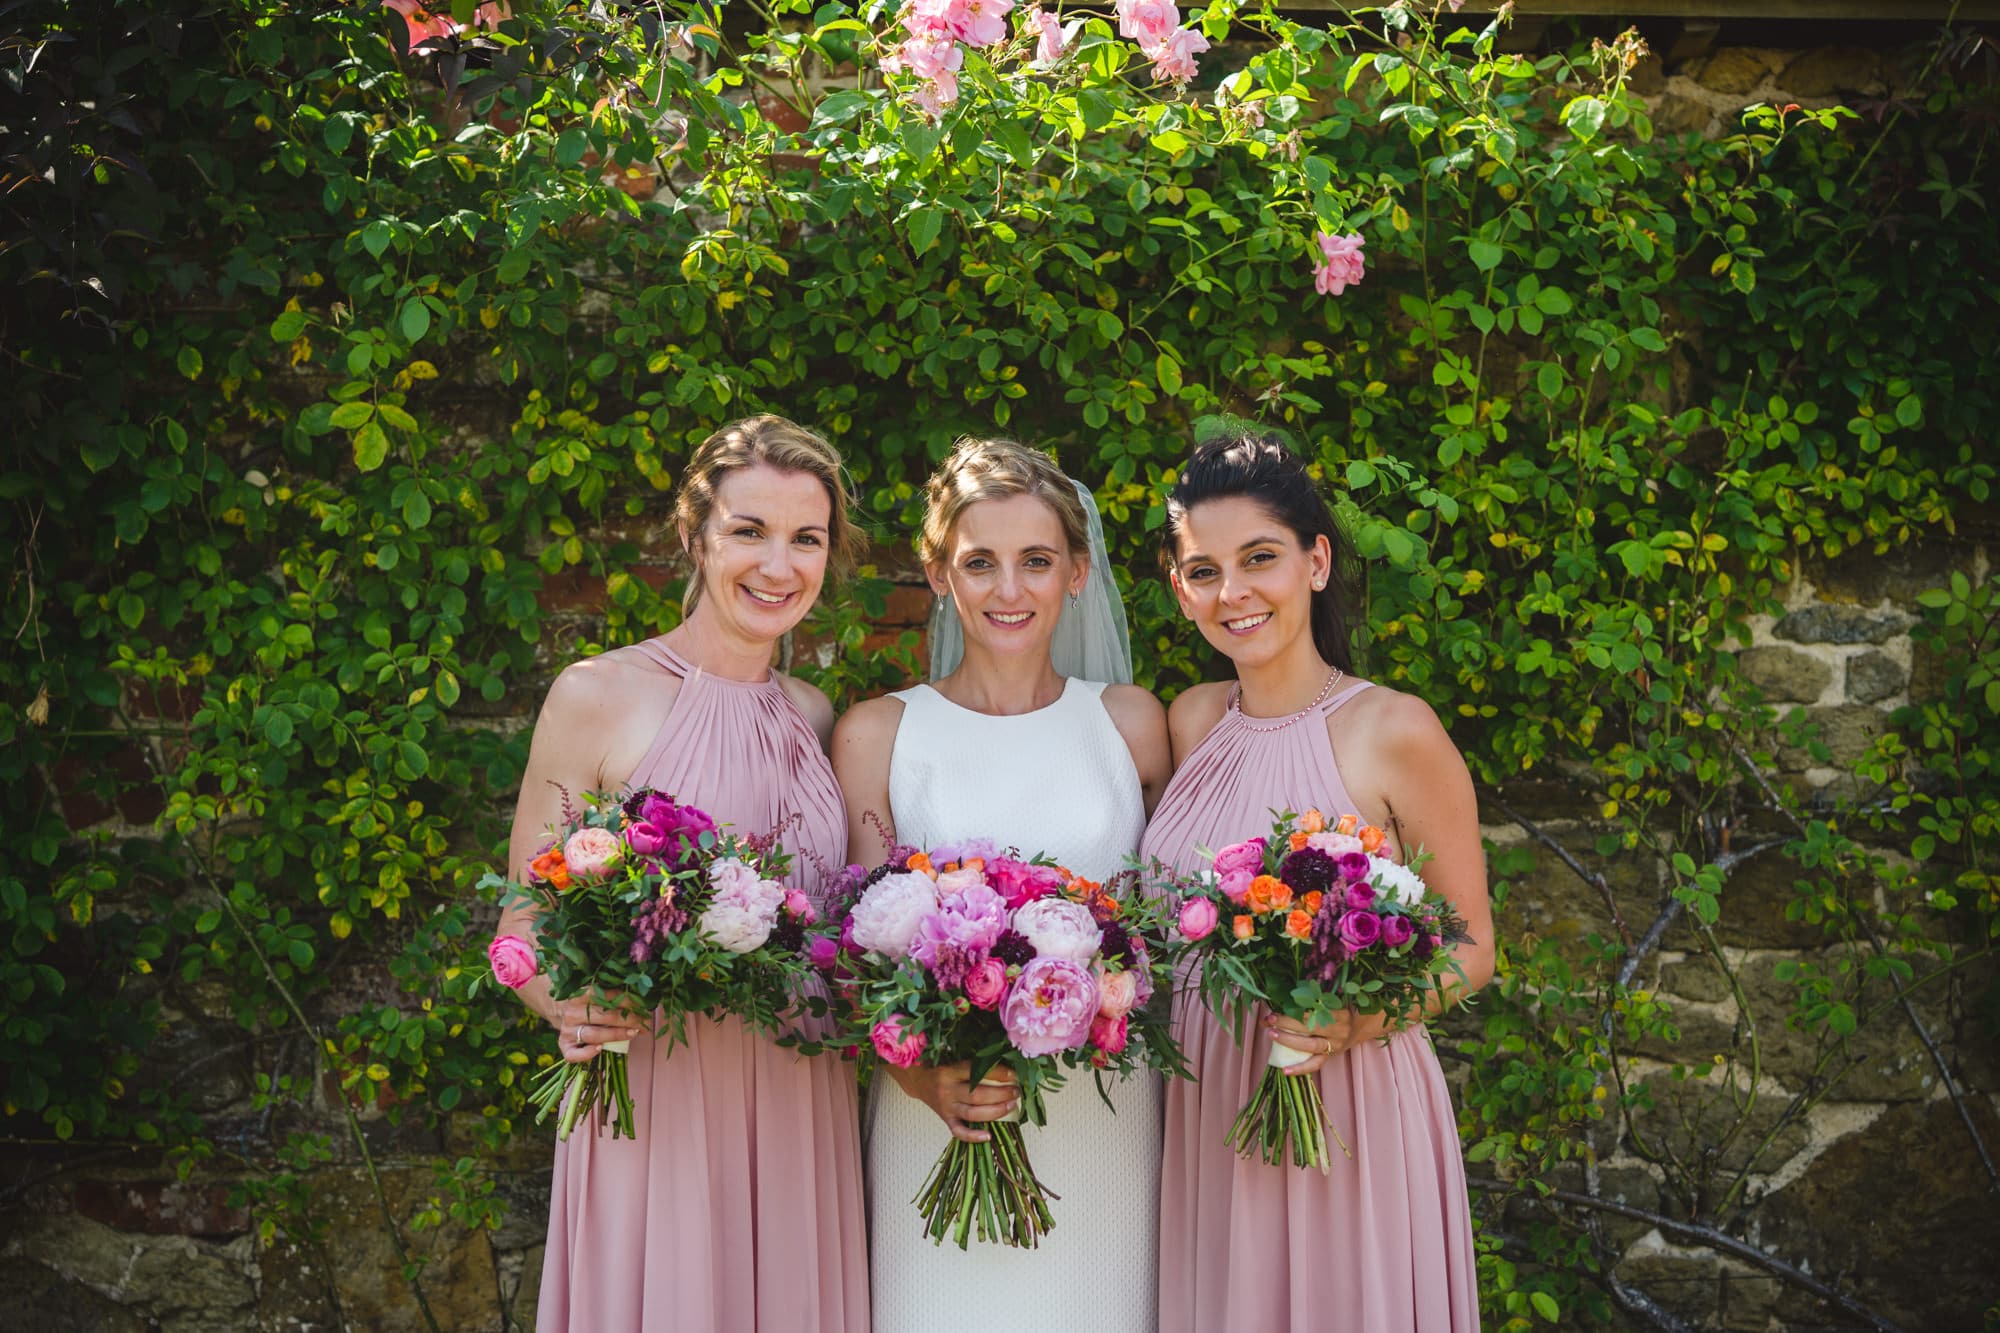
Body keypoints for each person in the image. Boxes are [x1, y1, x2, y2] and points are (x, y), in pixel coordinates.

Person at [495, 415, 870, 1332]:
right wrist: (565, 1003)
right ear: (694, 536)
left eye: (806, 539)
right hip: (656, 1093)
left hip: (798, 1092)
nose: (779, 566)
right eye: (750, 531)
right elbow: (520, 916)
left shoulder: (818, 714)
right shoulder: (598, 694)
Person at [1140, 431, 1492, 1332]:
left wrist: (1359, 1018)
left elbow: (1473, 948)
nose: (1236, 592)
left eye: (1260, 558)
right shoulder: (1188, 721)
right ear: (1183, 591)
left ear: (1317, 560)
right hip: (1208, 1105)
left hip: (1344, 1101)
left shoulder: (1393, 729)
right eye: (1205, 570)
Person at [831, 436, 1171, 1333]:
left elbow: (1167, 927)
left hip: (1103, 1112)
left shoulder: (1132, 724)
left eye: (1036, 561)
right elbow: (852, 948)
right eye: (979, 562)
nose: (1009, 590)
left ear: (1078, 572)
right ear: (940, 574)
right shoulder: (879, 732)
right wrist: (919, 1079)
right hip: (938, 1110)